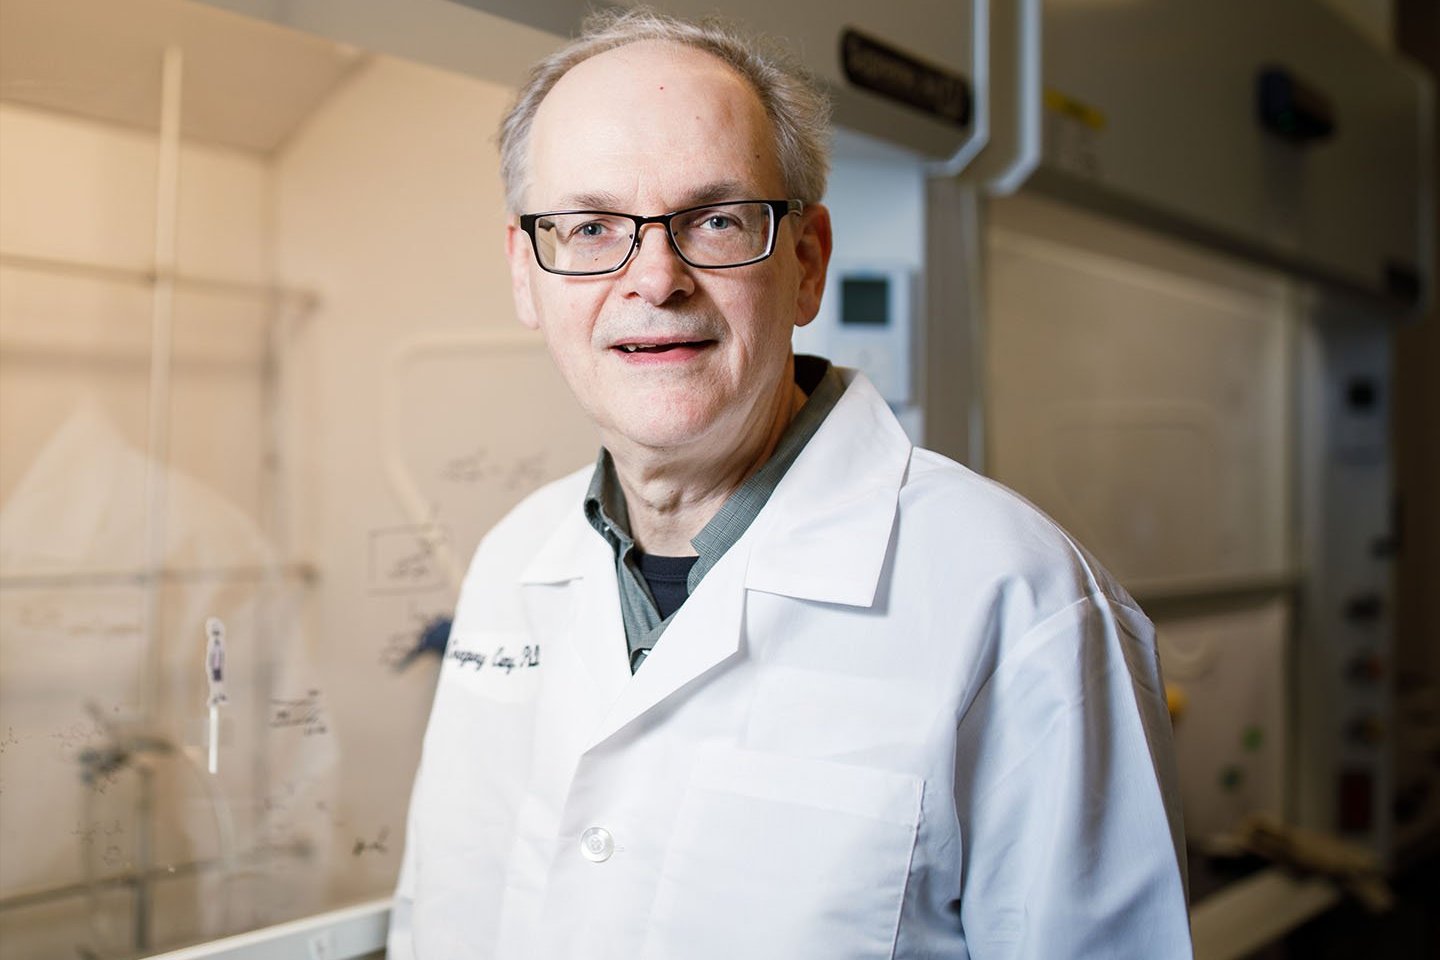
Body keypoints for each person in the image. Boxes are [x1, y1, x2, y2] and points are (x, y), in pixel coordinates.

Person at [390, 8, 1191, 958]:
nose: (655, 278)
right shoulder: (512, 559)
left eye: (717, 220)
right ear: (528, 273)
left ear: (806, 263)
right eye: (591, 225)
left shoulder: (1019, 604)